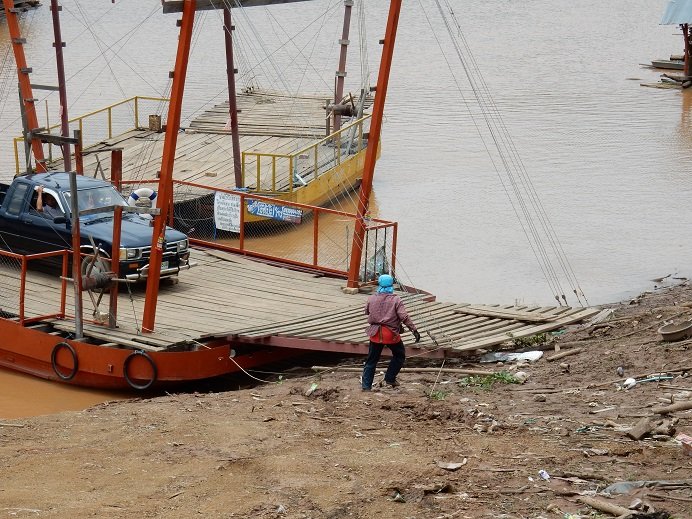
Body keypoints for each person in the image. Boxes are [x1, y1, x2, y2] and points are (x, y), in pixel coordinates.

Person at [361, 274, 421, 391]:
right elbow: (404, 317)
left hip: (375, 333)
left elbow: (367, 311)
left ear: (379, 284)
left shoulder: (372, 298)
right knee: (399, 355)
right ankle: (390, 378)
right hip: (391, 334)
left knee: (371, 360)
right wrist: (414, 330)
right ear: (391, 285)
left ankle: (366, 386)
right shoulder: (396, 299)